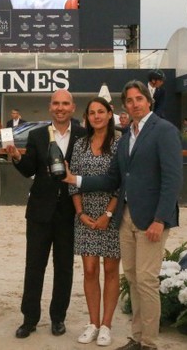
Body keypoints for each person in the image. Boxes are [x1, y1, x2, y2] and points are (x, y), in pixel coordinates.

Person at [64, 80, 183, 350]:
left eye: (138, 98)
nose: (134, 104)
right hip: (126, 217)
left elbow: (173, 179)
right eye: (129, 100)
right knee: (132, 278)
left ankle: (150, 343)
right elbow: (114, 178)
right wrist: (77, 179)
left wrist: (160, 219)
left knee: (147, 280)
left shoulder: (164, 130)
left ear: (148, 101)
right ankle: (137, 337)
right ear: (125, 106)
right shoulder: (128, 134)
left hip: (152, 218)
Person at [3, 89, 86, 339]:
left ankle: (58, 317)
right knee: (34, 266)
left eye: (65, 104)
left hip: (69, 213)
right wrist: (17, 157)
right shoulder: (37, 134)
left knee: (64, 268)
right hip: (39, 211)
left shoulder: (83, 136)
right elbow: (30, 169)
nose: (60, 108)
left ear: (73, 108)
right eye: (56, 104)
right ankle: (29, 319)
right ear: (50, 107)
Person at [68, 97, 120, 346]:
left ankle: (107, 325)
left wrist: (108, 214)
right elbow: (71, 180)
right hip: (85, 215)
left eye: (101, 111)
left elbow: (123, 183)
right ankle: (93, 323)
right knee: (89, 270)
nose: (96, 116)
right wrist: (80, 213)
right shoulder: (80, 145)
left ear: (110, 114)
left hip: (111, 216)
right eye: (92, 113)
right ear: (87, 117)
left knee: (111, 270)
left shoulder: (121, 143)